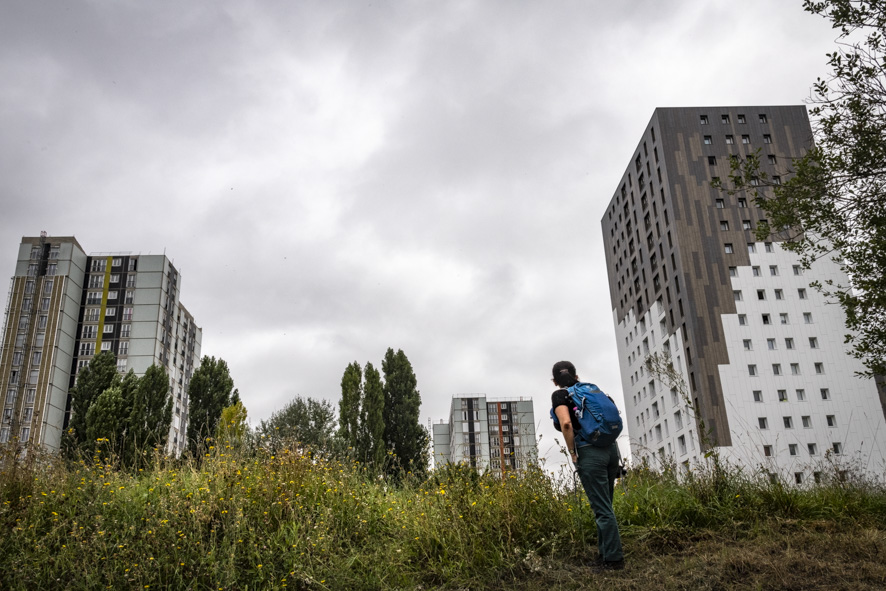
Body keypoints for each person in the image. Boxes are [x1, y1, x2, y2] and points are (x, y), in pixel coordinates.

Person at [551, 360, 624, 570]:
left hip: (590, 454)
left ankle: (613, 560)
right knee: (605, 507)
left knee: (602, 510)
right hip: (610, 450)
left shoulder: (560, 395)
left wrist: (573, 452)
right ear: (576, 376)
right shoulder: (593, 390)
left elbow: (566, 424)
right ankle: (606, 554)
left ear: (555, 381)